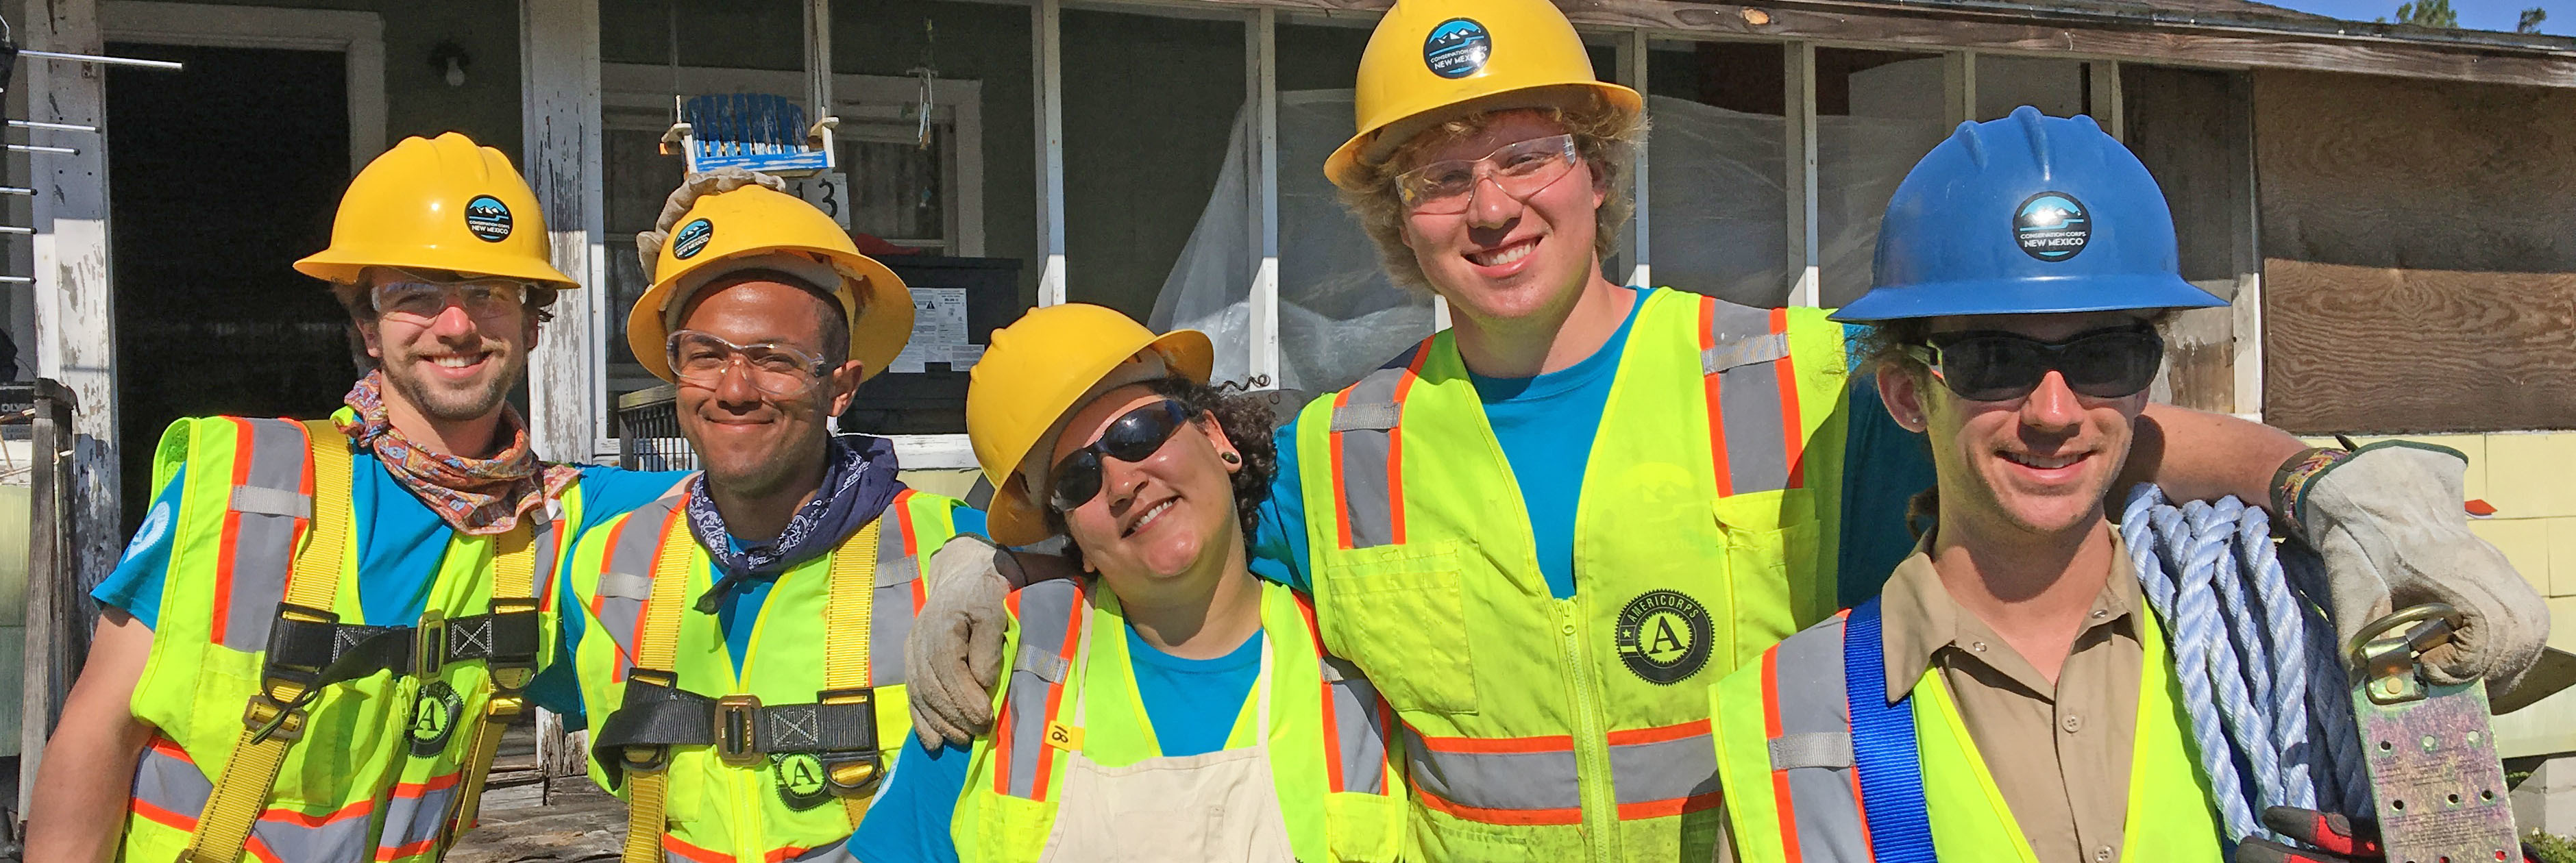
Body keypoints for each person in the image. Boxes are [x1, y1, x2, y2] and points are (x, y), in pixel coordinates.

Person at [901, 0, 2547, 860]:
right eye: (1440, 174)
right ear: (1394, 225)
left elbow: (2055, 416)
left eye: (1525, 150)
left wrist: (2314, 476)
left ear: (1596, 169)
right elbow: (1160, 543)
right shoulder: (1334, 458)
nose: (1491, 205)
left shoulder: (1792, 375)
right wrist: (1005, 547)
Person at [1704, 106, 2499, 863]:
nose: (2054, 412)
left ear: (2146, 379)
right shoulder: (1784, 714)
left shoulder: (2294, 643)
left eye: (2103, 358)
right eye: (1996, 362)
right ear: (1911, 394)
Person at [25, 132, 622, 862]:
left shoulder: (559, 519)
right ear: (368, 327)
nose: (458, 324)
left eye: (489, 294)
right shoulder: (243, 480)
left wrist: (706, 289)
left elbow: (761, 495)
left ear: (533, 323)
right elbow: (96, 734)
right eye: (417, 296)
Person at [843, 303, 1403, 863]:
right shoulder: (997, 670)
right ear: (1072, 539)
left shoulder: (1366, 659)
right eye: (1077, 479)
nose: (1121, 483)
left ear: (1216, 438)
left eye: (1138, 434)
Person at [538, 178, 981, 863]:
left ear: (842, 385)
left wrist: (1016, 562)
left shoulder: (955, 556)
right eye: (706, 355)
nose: (735, 389)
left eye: (777, 359)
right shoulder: (606, 563)